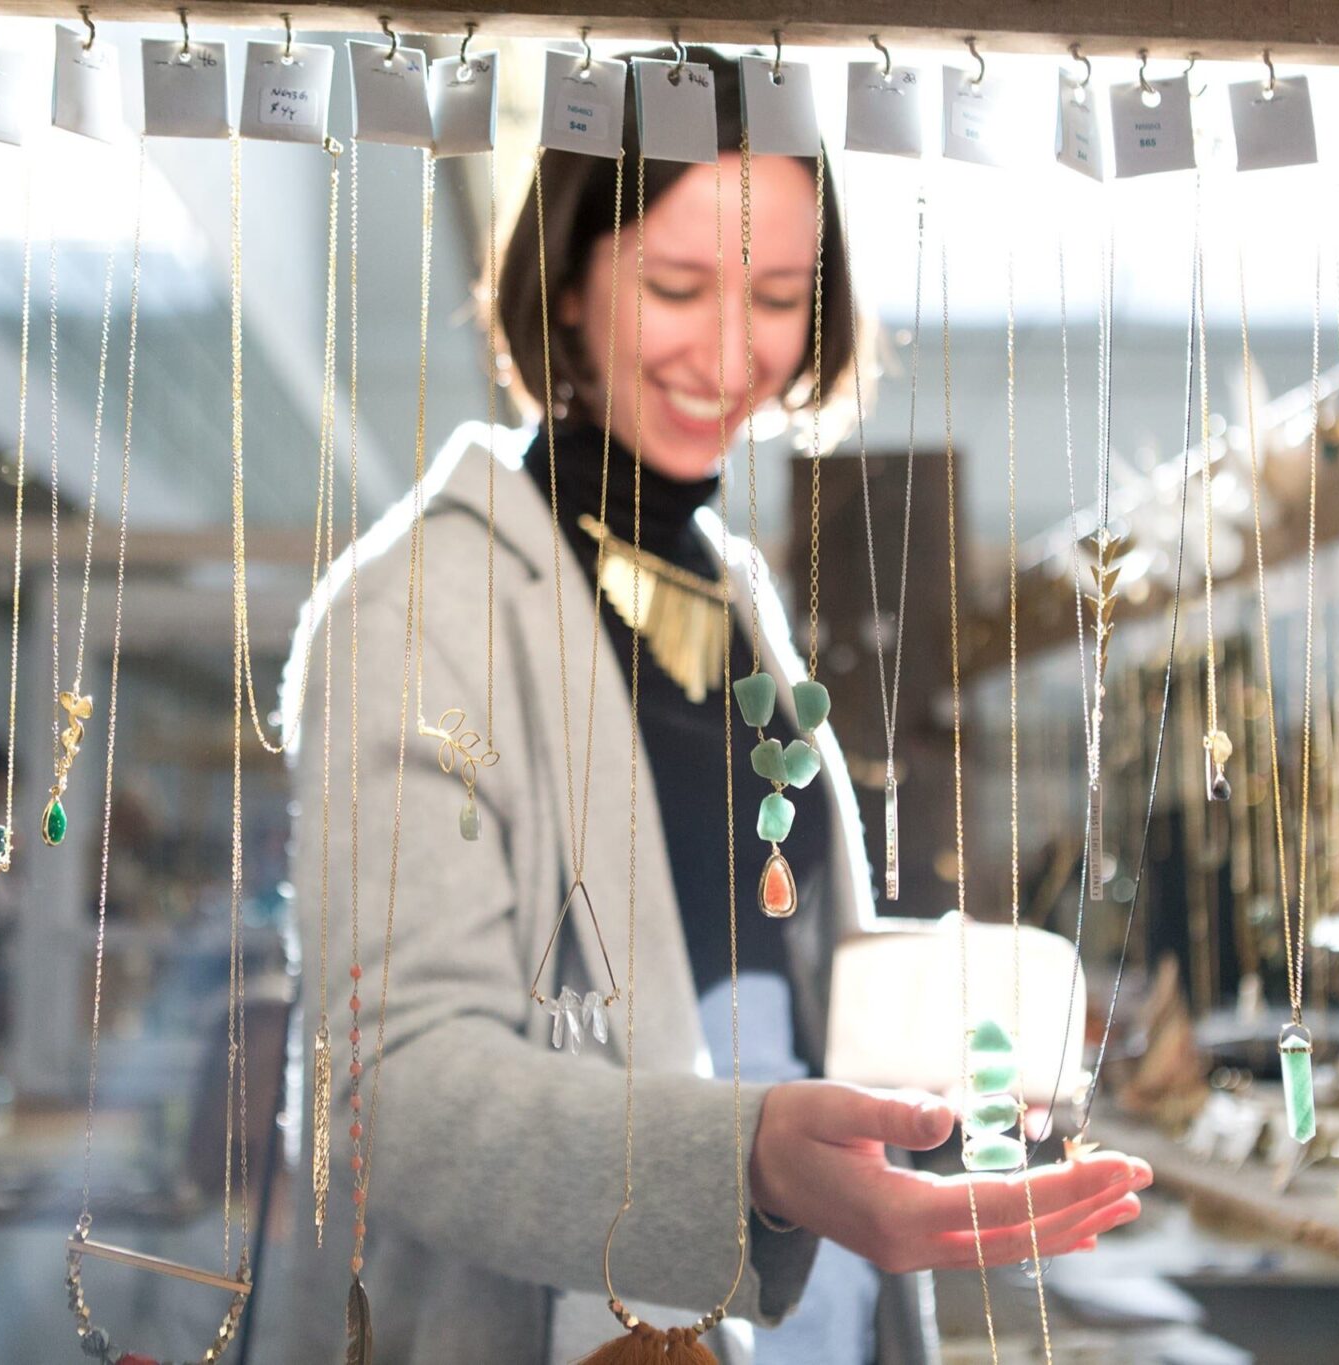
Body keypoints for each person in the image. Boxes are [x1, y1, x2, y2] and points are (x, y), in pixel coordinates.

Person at [266, 50, 1150, 1364]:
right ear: (569, 282)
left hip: (809, 1306)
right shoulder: (418, 608)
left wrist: (963, 1029)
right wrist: (752, 1159)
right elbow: (386, 1096)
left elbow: (763, 965)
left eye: (779, 297)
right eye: (677, 287)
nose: (734, 354)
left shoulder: (732, 593)